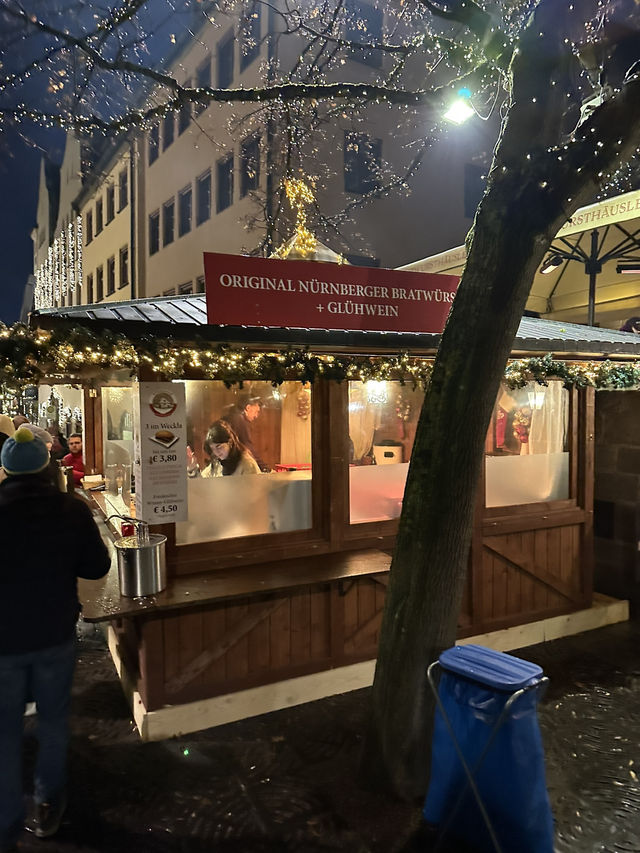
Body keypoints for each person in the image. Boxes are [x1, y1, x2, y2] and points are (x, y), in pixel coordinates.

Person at [0, 427, 110, 851]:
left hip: (3, 641)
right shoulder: (70, 509)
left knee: (5, 729)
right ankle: (48, 803)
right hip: (54, 634)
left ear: (6, 469)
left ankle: (6, 819)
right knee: (52, 721)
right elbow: (97, 568)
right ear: (46, 466)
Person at [189, 420, 260, 477]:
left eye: (219, 447)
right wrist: (193, 469)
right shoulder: (217, 463)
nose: (216, 452)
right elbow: (203, 484)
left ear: (230, 442)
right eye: (212, 449)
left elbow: (254, 489)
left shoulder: (247, 464)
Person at [224, 393, 268, 471]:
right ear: (248, 408)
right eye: (256, 411)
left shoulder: (232, 416)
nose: (256, 416)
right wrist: (265, 468)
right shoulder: (239, 419)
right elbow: (247, 447)